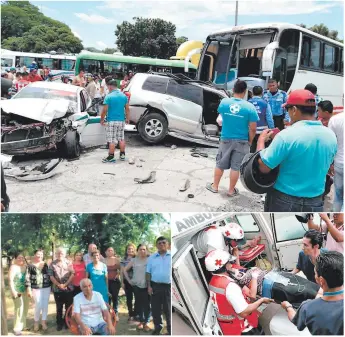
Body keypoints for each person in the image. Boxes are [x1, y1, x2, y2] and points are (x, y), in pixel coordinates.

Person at [257, 89, 337, 211]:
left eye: (287, 109)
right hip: (316, 201)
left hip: (283, 199)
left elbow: (263, 167)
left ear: (294, 110)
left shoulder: (286, 135)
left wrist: (261, 141)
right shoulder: (331, 136)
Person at [206, 80, 259, 197]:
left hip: (226, 138)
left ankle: (215, 186)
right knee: (236, 166)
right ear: (245, 91)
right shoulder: (249, 107)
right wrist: (250, 141)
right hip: (242, 140)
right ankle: (231, 190)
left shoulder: (224, 103)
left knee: (220, 163)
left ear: (233, 89)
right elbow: (253, 128)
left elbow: (220, 118)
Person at [205, 249, 274, 335]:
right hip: (241, 328)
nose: (231, 265)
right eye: (229, 263)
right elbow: (244, 312)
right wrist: (262, 300)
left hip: (228, 327)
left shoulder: (213, 282)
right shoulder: (230, 287)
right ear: (225, 267)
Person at [228, 248, 322, 304]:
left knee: (305, 283)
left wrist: (235, 250)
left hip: (275, 276)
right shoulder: (238, 283)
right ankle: (325, 302)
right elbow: (252, 296)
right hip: (271, 285)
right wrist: (254, 277)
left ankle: (328, 294)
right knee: (300, 290)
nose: (232, 265)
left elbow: (236, 259)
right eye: (228, 263)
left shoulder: (238, 269)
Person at [281, 251, 343, 335]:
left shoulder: (308, 307)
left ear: (321, 280)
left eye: (315, 273)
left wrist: (288, 307)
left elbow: (296, 321)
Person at [146, 236, 171, 335]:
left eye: (163, 243)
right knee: (156, 309)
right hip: (155, 286)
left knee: (168, 310)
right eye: (159, 243)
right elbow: (148, 272)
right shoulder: (152, 257)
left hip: (168, 287)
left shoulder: (171, 256)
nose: (161, 245)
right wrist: (149, 286)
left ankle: (170, 330)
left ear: (168, 244)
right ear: (156, 245)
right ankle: (158, 328)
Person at [100, 79, 129, 163]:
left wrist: (102, 119)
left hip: (111, 120)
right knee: (121, 138)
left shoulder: (108, 96)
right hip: (121, 120)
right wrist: (127, 118)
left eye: (108, 87)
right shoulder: (123, 96)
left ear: (109, 86)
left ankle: (111, 157)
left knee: (112, 140)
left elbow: (104, 110)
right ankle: (122, 155)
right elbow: (127, 108)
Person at [124, 244, 151, 331]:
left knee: (147, 305)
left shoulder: (150, 260)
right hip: (136, 286)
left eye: (144, 249)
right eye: (140, 249)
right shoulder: (134, 260)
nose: (142, 251)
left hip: (147, 286)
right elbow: (124, 270)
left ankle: (146, 322)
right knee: (139, 304)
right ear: (137, 251)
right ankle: (141, 322)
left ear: (146, 250)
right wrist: (129, 280)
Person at [48, 247, 75, 331]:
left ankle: (67, 322)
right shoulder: (52, 264)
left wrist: (65, 284)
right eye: (58, 253)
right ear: (56, 254)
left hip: (68, 288)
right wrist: (59, 285)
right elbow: (51, 276)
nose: (60, 254)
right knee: (59, 307)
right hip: (57, 289)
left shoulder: (69, 263)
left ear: (64, 254)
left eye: (62, 253)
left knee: (68, 307)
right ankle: (59, 323)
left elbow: (73, 274)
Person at [25, 250, 51, 332]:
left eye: (41, 254)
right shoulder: (30, 266)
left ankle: (43, 322)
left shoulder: (46, 264)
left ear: (43, 255)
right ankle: (36, 322)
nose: (39, 255)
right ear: (34, 255)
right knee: (38, 305)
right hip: (36, 288)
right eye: (37, 254)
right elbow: (27, 277)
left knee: (45, 305)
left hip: (46, 287)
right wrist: (28, 288)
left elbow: (50, 275)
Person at [248, 85, 274, 153]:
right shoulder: (265, 103)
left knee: (251, 149)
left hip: (250, 130)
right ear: (262, 93)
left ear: (252, 93)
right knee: (261, 150)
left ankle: (250, 162)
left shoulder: (247, 103)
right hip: (262, 131)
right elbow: (269, 118)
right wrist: (271, 129)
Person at [8, 252, 29, 335]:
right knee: (19, 309)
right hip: (17, 291)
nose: (21, 259)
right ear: (15, 259)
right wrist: (13, 291)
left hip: (25, 291)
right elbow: (10, 280)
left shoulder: (25, 267)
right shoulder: (13, 267)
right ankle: (17, 328)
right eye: (19, 258)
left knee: (25, 308)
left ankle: (23, 325)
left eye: (22, 257)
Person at [328, 111, 344, 211]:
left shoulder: (335, 119)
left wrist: (330, 163)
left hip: (339, 163)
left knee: (338, 194)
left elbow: (330, 144)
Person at [120, 243, 138, 321]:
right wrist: (122, 282)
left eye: (131, 249)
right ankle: (130, 314)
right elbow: (121, 272)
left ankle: (136, 314)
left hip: (137, 281)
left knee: (138, 298)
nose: (130, 250)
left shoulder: (137, 258)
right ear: (126, 250)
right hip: (127, 282)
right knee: (129, 298)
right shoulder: (123, 260)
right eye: (128, 249)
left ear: (134, 250)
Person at [104, 247, 121, 321]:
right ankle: (108, 313)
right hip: (106, 281)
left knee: (115, 297)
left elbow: (121, 269)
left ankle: (115, 313)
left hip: (115, 281)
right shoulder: (103, 260)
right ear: (106, 252)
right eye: (108, 250)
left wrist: (118, 274)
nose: (110, 251)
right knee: (108, 297)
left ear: (113, 252)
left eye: (111, 250)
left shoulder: (116, 260)